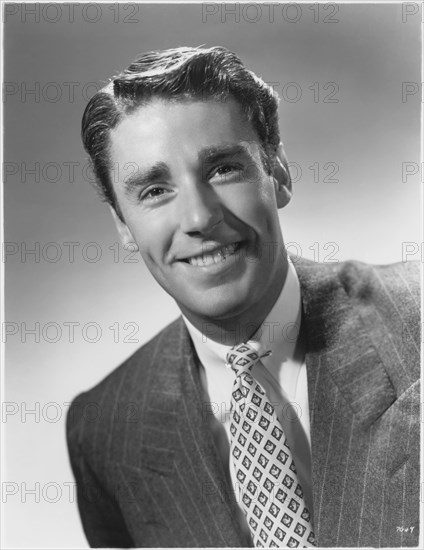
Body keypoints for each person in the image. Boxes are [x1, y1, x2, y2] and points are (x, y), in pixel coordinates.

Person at [66, 46, 420, 548]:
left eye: (222, 169)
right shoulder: (103, 431)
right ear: (123, 225)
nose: (198, 219)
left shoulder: (416, 320)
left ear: (278, 173)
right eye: (153, 191)